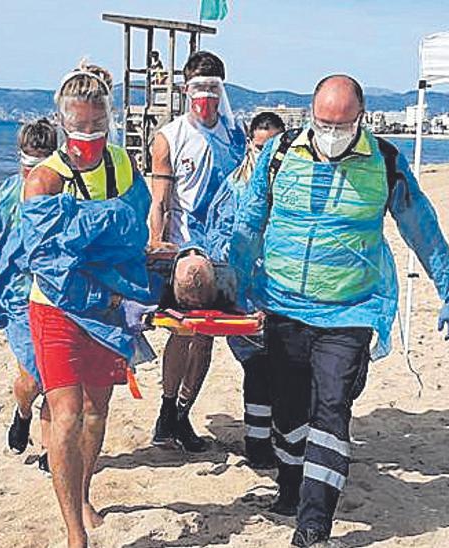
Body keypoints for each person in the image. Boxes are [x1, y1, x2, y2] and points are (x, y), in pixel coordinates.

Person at [230, 74, 449, 547]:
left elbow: (420, 225)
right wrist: (235, 285)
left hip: (350, 311)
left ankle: (314, 524)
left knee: (332, 409)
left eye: (341, 123)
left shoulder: (387, 162)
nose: (332, 131)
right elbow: (250, 219)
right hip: (284, 305)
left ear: (361, 117)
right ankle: (292, 486)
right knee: (289, 409)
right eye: (323, 122)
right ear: (311, 116)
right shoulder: (279, 154)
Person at [22, 62, 156, 548]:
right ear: (61, 123)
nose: (89, 136)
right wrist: (105, 283)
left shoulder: (122, 164)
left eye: (97, 126)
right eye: (79, 127)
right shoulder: (44, 180)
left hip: (110, 309)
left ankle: (83, 493)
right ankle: (74, 533)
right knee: (68, 412)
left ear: (109, 119)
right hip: (57, 308)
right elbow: (46, 261)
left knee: (99, 410)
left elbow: (136, 227)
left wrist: (122, 287)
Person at [146, 50, 248, 453]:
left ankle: (182, 414)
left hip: (222, 251)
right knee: (183, 331)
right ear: (185, 90)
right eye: (198, 88)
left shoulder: (234, 134)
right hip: (185, 251)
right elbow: (160, 197)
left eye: (213, 88)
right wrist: (157, 239)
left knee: (207, 339)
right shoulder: (168, 137)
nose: (206, 96)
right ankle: (167, 408)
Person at [0, 118, 59, 473]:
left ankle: (53, 452)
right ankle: (22, 413)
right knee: (33, 379)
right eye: (27, 162)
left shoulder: (65, 192)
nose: (32, 172)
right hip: (18, 298)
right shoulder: (6, 195)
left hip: (55, 295)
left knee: (57, 381)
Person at [225, 111, 286, 468]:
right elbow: (223, 236)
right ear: (249, 144)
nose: (265, 157)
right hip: (246, 296)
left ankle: (278, 434)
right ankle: (258, 442)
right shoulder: (235, 186)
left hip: (286, 292)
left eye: (272, 148)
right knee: (257, 368)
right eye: (259, 147)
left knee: (288, 370)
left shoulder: (296, 184)